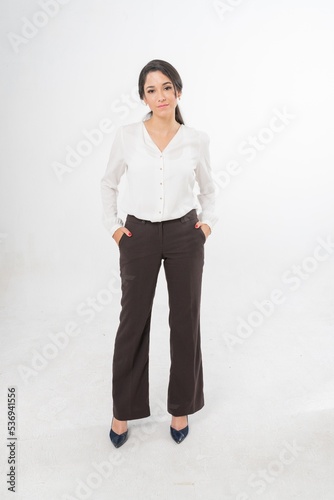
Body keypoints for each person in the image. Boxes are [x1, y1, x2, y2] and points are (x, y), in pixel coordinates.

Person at [100, 59, 218, 448]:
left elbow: (209, 189)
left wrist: (206, 225)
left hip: (186, 235)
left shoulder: (195, 139)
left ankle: (180, 406)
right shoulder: (128, 136)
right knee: (133, 322)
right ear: (143, 98)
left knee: (185, 321)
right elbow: (108, 183)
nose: (160, 96)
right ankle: (123, 410)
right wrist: (116, 229)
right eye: (151, 90)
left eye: (166, 87)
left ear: (178, 91)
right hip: (139, 235)